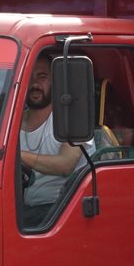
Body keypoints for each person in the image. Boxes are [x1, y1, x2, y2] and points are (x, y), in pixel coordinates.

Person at [18, 53, 89, 228]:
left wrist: (15, 155)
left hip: (59, 212)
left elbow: (66, 164)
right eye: (29, 77)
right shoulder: (13, 121)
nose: (34, 84)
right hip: (18, 207)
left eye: (42, 76)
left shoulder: (70, 118)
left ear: (57, 82)